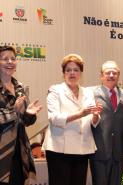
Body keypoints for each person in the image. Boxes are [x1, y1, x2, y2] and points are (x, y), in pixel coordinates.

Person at [42, 54, 102, 185]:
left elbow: (92, 119)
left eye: (76, 70)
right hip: (59, 149)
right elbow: (54, 118)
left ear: (81, 73)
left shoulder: (88, 92)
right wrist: (80, 113)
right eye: (68, 70)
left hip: (82, 147)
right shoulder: (55, 90)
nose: (72, 73)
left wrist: (96, 116)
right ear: (63, 73)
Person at [0, 45, 42, 185]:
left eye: (13, 58)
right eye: (5, 59)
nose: (10, 62)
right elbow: (14, 114)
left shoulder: (20, 88)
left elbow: (25, 121)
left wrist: (29, 114)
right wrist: (14, 111)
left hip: (20, 148)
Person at [90, 61, 123, 185]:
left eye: (115, 72)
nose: (111, 75)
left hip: (119, 152)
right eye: (108, 72)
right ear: (101, 76)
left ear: (118, 75)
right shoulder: (91, 94)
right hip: (99, 152)